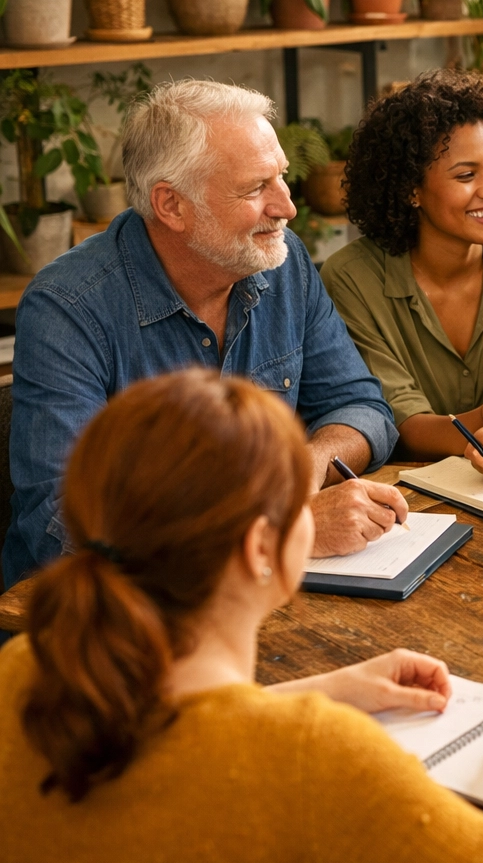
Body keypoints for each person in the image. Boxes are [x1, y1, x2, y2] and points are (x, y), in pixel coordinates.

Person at [0, 369, 483, 863]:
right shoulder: (315, 762)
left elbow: (182, 730)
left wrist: (321, 689)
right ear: (261, 549)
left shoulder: (24, 672)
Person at [5, 80, 407, 587]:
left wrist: (309, 464)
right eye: (256, 188)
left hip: (248, 596)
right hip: (103, 617)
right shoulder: (67, 308)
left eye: (281, 178)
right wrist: (282, 533)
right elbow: (60, 527)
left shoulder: (283, 264)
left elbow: (362, 407)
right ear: (171, 205)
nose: (287, 207)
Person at [323, 70, 483, 484]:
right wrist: (478, 425)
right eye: (466, 175)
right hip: (404, 493)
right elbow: (395, 419)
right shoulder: (352, 278)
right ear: (411, 189)